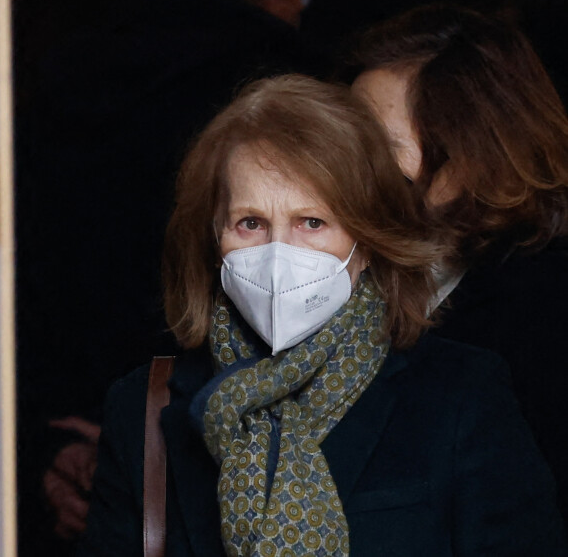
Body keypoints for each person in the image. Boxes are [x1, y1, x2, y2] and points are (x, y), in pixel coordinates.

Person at [77, 75, 566, 556]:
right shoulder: (144, 409)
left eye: (312, 223)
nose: (277, 253)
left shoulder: (462, 397)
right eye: (250, 223)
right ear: (213, 238)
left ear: (369, 242)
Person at [14, 0, 329, 552]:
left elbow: (22, 277)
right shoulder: (292, 91)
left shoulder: (55, 81)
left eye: (309, 222)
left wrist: (45, 443)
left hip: (73, 425)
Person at [349, 4, 568, 524]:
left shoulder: (546, 311)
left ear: (474, 155)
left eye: (378, 147)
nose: (344, 167)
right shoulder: (342, 272)